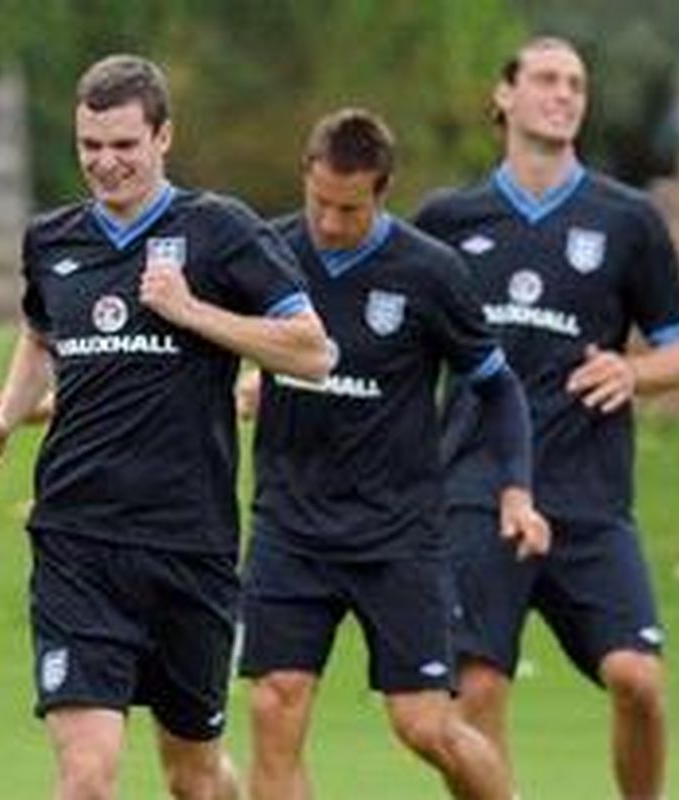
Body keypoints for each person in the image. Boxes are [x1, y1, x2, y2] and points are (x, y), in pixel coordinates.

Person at [0, 54, 333, 800]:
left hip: (188, 546)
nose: (106, 163)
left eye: (124, 145)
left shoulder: (221, 232)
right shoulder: (53, 240)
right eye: (90, 146)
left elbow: (315, 352)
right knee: (87, 779)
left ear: (164, 137)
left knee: (192, 776)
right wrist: (5, 419)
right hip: (76, 541)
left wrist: (191, 311)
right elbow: (40, 336)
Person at [414, 37, 679, 799]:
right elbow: (392, 340)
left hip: (589, 496)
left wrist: (631, 369)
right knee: (476, 696)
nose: (564, 93)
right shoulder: (448, 220)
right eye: (546, 78)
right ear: (504, 96)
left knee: (638, 679)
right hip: (475, 489)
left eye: (576, 82)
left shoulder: (627, 219)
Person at [236, 108, 547, 800]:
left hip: (397, 533)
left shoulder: (430, 272)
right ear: (305, 179)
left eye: (350, 208)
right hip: (291, 525)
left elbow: (498, 390)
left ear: (383, 192)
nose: (331, 222)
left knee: (424, 725)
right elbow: (207, 348)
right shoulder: (267, 255)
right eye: (320, 202)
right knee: (273, 704)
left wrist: (516, 491)